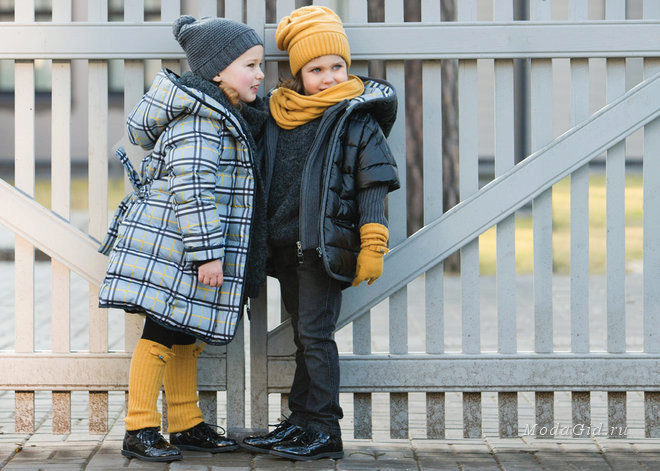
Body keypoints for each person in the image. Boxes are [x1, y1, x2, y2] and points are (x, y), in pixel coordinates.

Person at [98, 15, 266, 462]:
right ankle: (139, 428)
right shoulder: (200, 122)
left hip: (183, 247)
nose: (260, 74)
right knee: (160, 333)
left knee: (184, 333)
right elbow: (192, 190)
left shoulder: (220, 115)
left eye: (260, 65)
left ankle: (186, 422)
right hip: (176, 248)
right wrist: (208, 253)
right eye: (250, 65)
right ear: (218, 71)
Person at [241, 5, 400, 461]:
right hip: (285, 245)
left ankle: (325, 429)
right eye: (316, 70)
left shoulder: (356, 118)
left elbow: (374, 182)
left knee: (315, 336)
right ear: (298, 74)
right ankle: (301, 422)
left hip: (323, 248)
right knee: (304, 335)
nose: (329, 78)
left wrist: (373, 243)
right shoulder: (280, 112)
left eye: (337, 67)